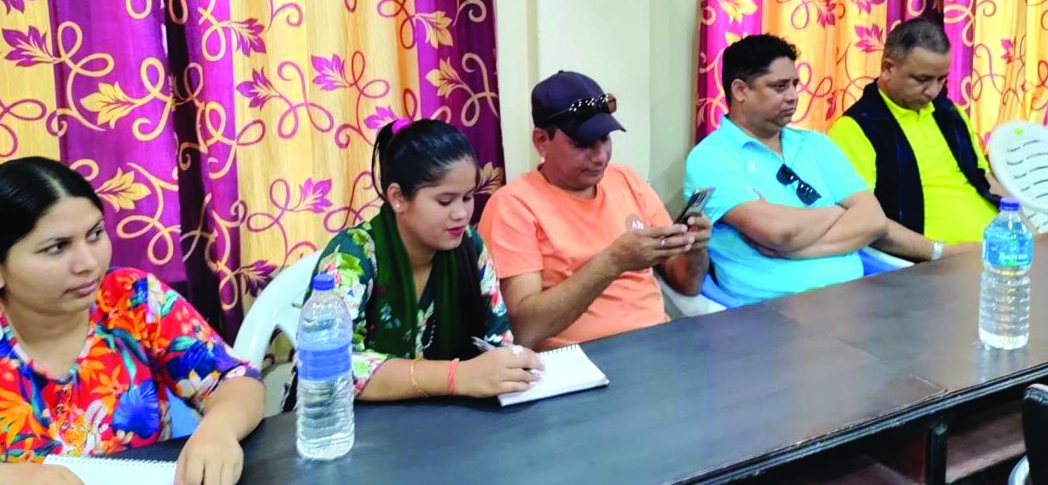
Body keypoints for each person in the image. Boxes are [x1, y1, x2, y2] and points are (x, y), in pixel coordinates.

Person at [0, 157, 264, 485]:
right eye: (57, 247)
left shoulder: (133, 299)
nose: (88, 263)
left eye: (95, 234)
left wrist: (218, 430)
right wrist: (9, 478)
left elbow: (234, 380)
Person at [282, 119, 542, 408]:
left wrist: (508, 367)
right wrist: (457, 376)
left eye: (468, 197)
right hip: (346, 423)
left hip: (442, 420)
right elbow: (327, 367)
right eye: (445, 201)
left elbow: (497, 340)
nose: (461, 214)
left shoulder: (470, 247)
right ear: (397, 198)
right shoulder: (351, 257)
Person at [478, 71, 711, 350]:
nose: (600, 157)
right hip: (577, 358)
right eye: (582, 145)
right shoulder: (513, 206)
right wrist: (612, 262)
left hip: (658, 343)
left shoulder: (626, 181)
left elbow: (687, 284)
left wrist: (695, 248)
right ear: (541, 141)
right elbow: (524, 329)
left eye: (605, 139)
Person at [684, 35, 888, 305]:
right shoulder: (711, 157)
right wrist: (839, 211)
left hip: (854, 298)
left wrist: (795, 250)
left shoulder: (817, 144)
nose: (793, 96)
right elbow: (777, 232)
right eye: (779, 86)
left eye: (794, 85)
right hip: (769, 310)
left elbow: (874, 219)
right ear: (740, 90)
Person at [828, 17, 1001, 261]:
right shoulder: (856, 128)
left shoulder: (949, 113)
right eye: (922, 79)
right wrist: (942, 252)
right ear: (887, 68)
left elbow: (984, 179)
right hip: (935, 264)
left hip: (999, 252)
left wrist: (1026, 229)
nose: (933, 91)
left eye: (941, 79)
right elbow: (863, 221)